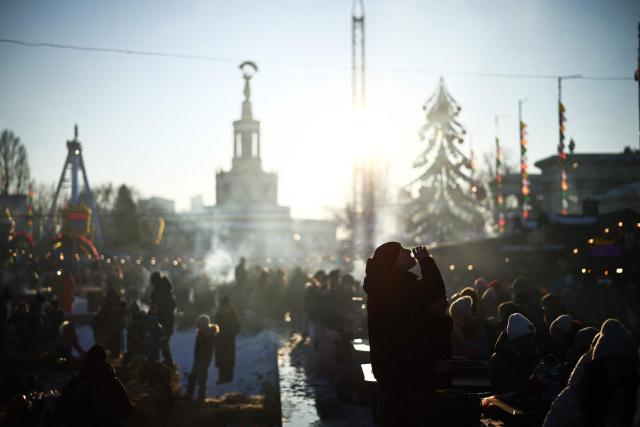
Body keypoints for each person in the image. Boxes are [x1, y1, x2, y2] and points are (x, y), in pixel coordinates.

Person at [365, 242, 472, 426]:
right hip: (404, 370)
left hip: (394, 368)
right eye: (401, 251)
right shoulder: (399, 285)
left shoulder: (388, 284)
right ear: (392, 261)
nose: (408, 252)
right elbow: (435, 292)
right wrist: (426, 261)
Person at [543, 319, 638, 427]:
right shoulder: (574, 397)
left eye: (628, 362)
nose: (623, 368)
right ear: (600, 363)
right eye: (615, 361)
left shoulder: (634, 395)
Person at [55, 345, 133, 426]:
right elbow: (128, 411)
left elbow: (60, 413)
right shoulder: (112, 383)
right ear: (104, 360)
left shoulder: (76, 384)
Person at [490, 313, 545, 394]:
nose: (531, 342)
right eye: (526, 338)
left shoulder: (531, 354)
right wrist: (532, 381)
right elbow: (505, 388)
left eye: (532, 337)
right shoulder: (499, 359)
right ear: (514, 340)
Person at [187, 314, 219, 403]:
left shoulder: (208, 334)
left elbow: (207, 347)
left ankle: (200, 398)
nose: (198, 327)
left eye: (199, 325)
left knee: (201, 379)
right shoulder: (203, 333)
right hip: (199, 359)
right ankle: (189, 397)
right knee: (193, 378)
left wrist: (202, 338)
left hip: (203, 360)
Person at [449, 295, 489, 360]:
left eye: (466, 312)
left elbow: (481, 353)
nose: (463, 317)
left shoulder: (479, 328)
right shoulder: (451, 333)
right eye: (459, 315)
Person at [214, 296, 240, 383]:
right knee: (221, 361)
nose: (222, 307)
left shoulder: (232, 315)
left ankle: (228, 379)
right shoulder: (218, 315)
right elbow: (214, 326)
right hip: (220, 341)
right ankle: (221, 379)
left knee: (228, 361)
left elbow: (237, 327)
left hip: (228, 341)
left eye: (223, 305)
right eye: (221, 305)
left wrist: (230, 334)